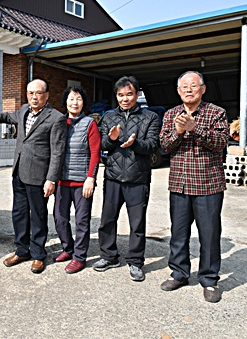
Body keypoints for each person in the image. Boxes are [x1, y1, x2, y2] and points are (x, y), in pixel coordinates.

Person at [0, 79, 66, 274]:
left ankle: (38, 254)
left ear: (47, 95)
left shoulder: (56, 118)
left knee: (38, 215)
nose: (34, 97)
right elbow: (7, 116)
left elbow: (57, 152)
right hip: (19, 173)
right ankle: (22, 250)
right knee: (19, 213)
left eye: (38, 93)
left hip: (39, 176)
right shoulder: (23, 110)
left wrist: (51, 179)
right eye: (30, 93)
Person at [159, 71, 229, 303]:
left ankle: (209, 279)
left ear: (203, 89)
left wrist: (194, 128)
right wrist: (179, 131)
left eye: (193, 85)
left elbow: (221, 142)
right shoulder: (171, 114)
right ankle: (179, 273)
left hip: (208, 184)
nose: (189, 90)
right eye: (184, 86)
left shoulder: (216, 113)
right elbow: (164, 145)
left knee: (209, 235)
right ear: (178, 91)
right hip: (179, 184)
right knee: (178, 234)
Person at [94, 76, 159, 282]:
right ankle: (108, 256)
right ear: (116, 96)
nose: (125, 99)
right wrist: (111, 139)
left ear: (137, 94)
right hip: (113, 177)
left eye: (129, 94)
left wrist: (135, 144)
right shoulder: (108, 117)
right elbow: (101, 145)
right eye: (121, 95)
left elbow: (153, 145)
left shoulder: (150, 117)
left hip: (138, 179)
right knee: (107, 220)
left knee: (137, 224)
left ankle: (136, 261)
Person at [52, 86, 101, 274]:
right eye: (71, 99)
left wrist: (91, 178)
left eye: (78, 99)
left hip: (82, 182)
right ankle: (68, 248)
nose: (75, 102)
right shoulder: (59, 122)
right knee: (60, 218)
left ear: (83, 102)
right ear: (65, 102)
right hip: (61, 181)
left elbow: (95, 153)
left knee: (82, 221)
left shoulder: (90, 124)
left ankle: (79, 257)